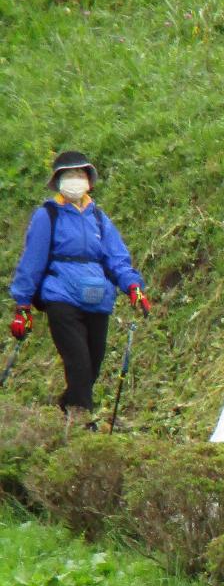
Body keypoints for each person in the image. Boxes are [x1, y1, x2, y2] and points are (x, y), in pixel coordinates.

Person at [9, 149, 148, 423]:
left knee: (92, 367)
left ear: (89, 180)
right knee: (79, 365)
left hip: (98, 300)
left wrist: (133, 287)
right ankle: (83, 426)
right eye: (68, 175)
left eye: (79, 174)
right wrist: (22, 304)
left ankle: (66, 414)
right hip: (61, 298)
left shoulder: (98, 218)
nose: (75, 179)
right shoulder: (48, 215)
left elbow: (117, 257)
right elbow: (33, 260)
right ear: (58, 181)